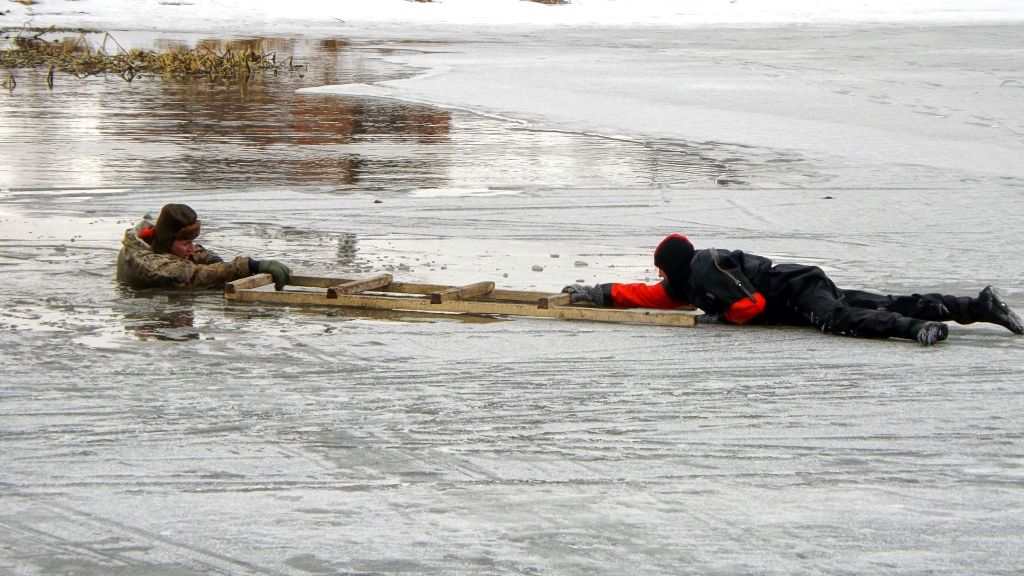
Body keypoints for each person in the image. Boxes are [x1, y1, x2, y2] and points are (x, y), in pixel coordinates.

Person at [563, 234, 1023, 346]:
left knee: (842, 320)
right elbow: (645, 296)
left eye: (661, 271)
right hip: (801, 289)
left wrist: (722, 319)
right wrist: (599, 293)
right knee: (881, 302)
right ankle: (975, 306)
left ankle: (919, 327)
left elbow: (751, 303)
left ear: (674, 266)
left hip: (797, 290)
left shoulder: (707, 264)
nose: (660, 279)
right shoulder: (688, 283)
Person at [116, 203, 291, 291]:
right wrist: (250, 265)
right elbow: (192, 274)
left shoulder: (160, 243)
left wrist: (216, 263)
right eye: (186, 243)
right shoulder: (149, 264)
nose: (191, 248)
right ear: (167, 242)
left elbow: (199, 252)